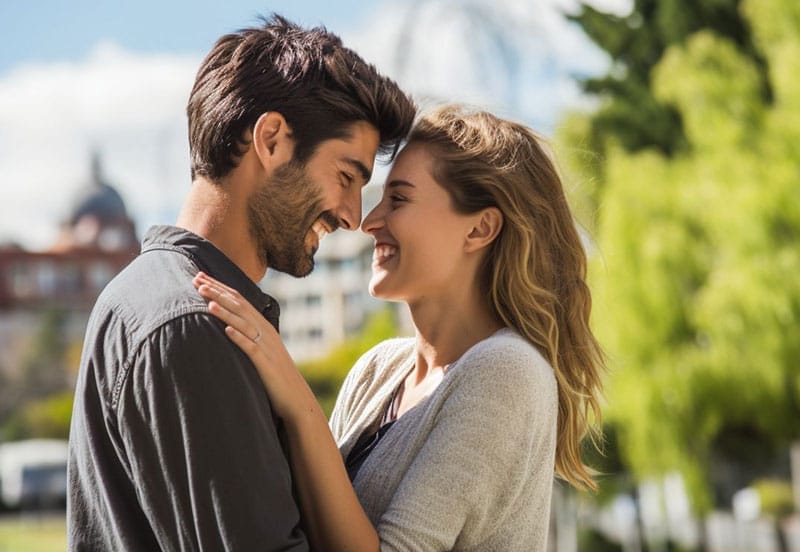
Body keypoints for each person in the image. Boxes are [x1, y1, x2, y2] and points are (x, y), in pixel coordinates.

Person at [66, 14, 416, 550]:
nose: (352, 216)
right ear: (271, 139)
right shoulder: (192, 325)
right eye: (346, 177)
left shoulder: (149, 297)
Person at [194, 104, 606, 551]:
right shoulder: (378, 369)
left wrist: (297, 399)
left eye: (400, 199)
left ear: (480, 229)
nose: (369, 223)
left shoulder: (506, 372)